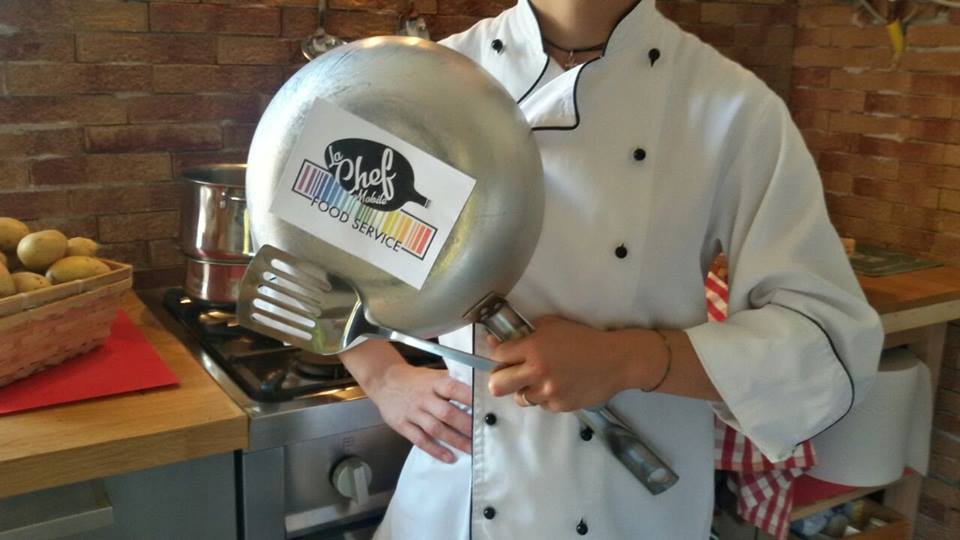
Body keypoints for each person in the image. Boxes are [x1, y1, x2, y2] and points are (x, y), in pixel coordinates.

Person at [340, 0, 885, 538]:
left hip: (630, 506)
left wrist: (629, 360)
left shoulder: (731, 105)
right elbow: (317, 251)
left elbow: (829, 342)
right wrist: (383, 376)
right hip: (454, 490)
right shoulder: (427, 80)